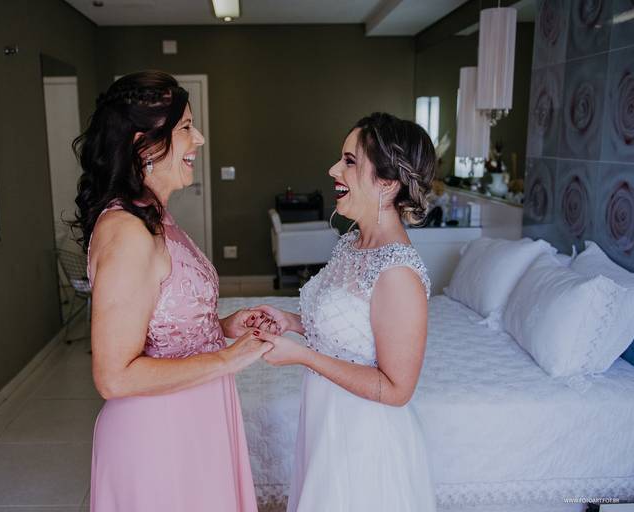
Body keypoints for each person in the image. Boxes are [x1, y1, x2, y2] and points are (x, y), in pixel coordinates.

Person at [73, 70, 278, 512]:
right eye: (186, 127)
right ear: (143, 145)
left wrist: (220, 326)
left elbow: (159, 317)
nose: (198, 139)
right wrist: (228, 359)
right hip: (159, 437)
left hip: (195, 416)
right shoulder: (126, 232)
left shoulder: (153, 215)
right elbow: (113, 376)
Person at [248, 112, 438, 512]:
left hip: (363, 440)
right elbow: (349, 329)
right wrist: (292, 323)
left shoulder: (398, 273)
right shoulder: (352, 244)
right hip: (324, 421)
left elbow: (397, 389)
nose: (334, 169)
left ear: (387, 183)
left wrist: (302, 356)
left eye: (349, 161)